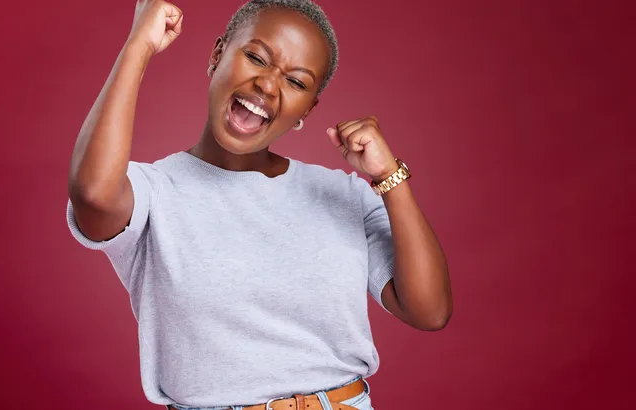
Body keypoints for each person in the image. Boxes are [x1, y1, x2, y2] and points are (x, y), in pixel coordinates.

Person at [65, 0, 453, 409]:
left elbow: (429, 311)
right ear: (217, 56)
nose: (268, 86)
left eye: (297, 82)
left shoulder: (344, 195)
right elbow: (92, 194)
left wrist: (389, 179)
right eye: (256, 58)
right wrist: (139, 45)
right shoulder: (153, 193)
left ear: (307, 110)